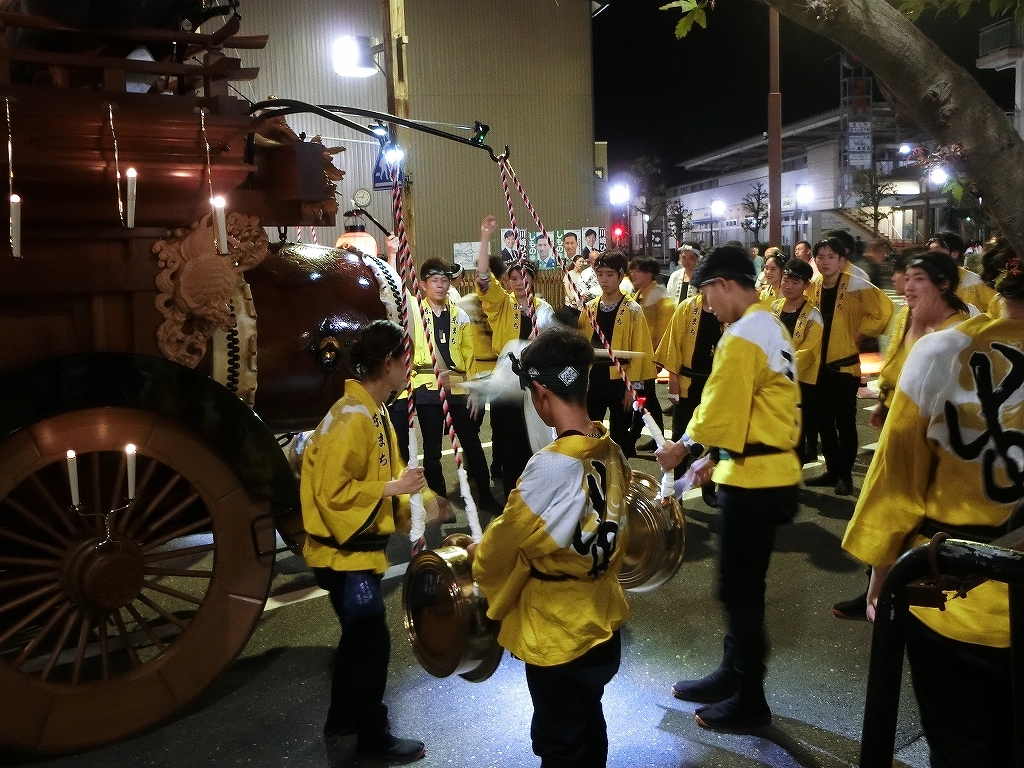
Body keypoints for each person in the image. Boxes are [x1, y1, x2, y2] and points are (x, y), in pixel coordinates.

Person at [840, 254, 1024, 767]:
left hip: (956, 592)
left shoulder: (944, 351)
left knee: (962, 746)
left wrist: (882, 574)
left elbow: (896, 482)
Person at [655, 245, 801, 731]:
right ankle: (732, 675)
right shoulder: (770, 325)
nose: (706, 305)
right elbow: (753, 406)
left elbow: (719, 406)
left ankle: (750, 699)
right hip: (766, 470)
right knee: (744, 587)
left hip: (756, 482)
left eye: (706, 294)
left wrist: (682, 447)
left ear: (724, 284)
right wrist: (713, 459)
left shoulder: (742, 335)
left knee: (739, 591)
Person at [470, 328, 630, 768]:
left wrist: (479, 562)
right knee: (588, 721)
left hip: (559, 629)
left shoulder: (550, 465)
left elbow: (504, 539)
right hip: (601, 615)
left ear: (540, 392)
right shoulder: (611, 450)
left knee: (559, 740)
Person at [301, 319, 441, 764]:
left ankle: (342, 719)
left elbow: (394, 470)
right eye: (406, 360)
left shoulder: (372, 411)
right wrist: (394, 490)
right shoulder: (352, 418)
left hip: (352, 555)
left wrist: (426, 504)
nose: (410, 368)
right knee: (370, 645)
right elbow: (332, 493)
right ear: (388, 364)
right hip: (343, 558)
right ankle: (372, 739)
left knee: (358, 640)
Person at [831, 250, 975, 622]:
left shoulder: (958, 333)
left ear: (944, 284)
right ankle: (881, 588)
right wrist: (884, 400)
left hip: (935, 439)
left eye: (919, 279)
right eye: (906, 278)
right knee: (891, 508)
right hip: (903, 419)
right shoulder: (910, 318)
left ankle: (898, 596)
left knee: (905, 510)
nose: (907, 287)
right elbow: (896, 364)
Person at [397, 258, 500, 512]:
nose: (441, 285)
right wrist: (392, 253)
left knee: (472, 443)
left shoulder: (459, 315)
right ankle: (441, 503)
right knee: (432, 450)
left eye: (444, 280)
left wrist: (472, 388)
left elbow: (469, 356)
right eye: (435, 281)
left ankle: (486, 495)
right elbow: (398, 290)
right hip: (427, 388)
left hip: (457, 386)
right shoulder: (414, 312)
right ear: (423, 285)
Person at [805, 235, 893, 496]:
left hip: (845, 367)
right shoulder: (814, 285)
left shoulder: (856, 284)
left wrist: (860, 333)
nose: (825, 262)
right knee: (823, 421)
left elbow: (884, 310)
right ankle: (832, 470)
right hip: (818, 366)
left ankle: (845, 475)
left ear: (842, 260)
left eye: (831, 257)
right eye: (820, 257)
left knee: (844, 422)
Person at [477, 216, 555, 490]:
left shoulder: (544, 309)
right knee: (505, 431)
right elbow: (483, 278)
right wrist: (485, 237)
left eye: (525, 277)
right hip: (506, 376)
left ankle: (533, 484)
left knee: (532, 432)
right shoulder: (501, 303)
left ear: (533, 280)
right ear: (508, 282)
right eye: (513, 278)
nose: (519, 282)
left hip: (535, 377)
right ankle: (509, 485)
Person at [575, 250, 656, 458]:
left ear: (621, 276)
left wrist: (632, 388)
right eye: (600, 274)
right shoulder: (590, 308)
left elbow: (640, 351)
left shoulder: (632, 309)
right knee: (590, 430)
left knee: (620, 433)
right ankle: (596, 472)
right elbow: (581, 346)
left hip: (621, 380)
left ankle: (622, 473)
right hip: (595, 378)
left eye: (610, 274)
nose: (604, 280)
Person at [655, 271, 724, 506]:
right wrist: (673, 380)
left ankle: (709, 487)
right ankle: (675, 490)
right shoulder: (687, 307)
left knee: (713, 437)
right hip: (687, 380)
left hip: (715, 383)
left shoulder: (727, 313)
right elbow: (673, 344)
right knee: (680, 435)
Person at [771, 258, 822, 464]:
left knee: (795, 431)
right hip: (772, 379)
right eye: (786, 280)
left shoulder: (813, 316)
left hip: (799, 383)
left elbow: (807, 353)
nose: (788, 286)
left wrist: (779, 369)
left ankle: (794, 472)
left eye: (795, 282)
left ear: (806, 285)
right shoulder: (774, 307)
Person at [626, 255, 675, 450]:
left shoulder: (659, 295)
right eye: (632, 270)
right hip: (639, 355)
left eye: (637, 270)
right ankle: (653, 438)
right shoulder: (640, 293)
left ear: (649, 273)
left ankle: (637, 437)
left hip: (648, 356)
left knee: (644, 397)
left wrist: (655, 356)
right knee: (645, 397)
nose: (633, 274)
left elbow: (664, 330)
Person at [927, 230, 998, 312]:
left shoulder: (975, 282)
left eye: (937, 252)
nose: (931, 257)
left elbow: (997, 312)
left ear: (954, 254)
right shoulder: (925, 282)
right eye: (930, 252)